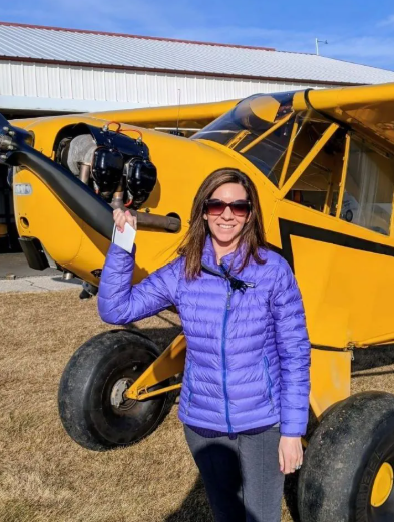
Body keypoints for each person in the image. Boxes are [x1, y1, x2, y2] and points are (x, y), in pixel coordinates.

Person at [98, 168, 311, 522]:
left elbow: (295, 353)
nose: (227, 215)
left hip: (262, 421)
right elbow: (116, 308)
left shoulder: (273, 269)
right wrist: (122, 244)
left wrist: (292, 431)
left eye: (238, 207)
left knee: (261, 516)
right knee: (226, 513)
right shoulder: (184, 271)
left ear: (250, 214)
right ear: (204, 211)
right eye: (217, 205)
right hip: (203, 423)